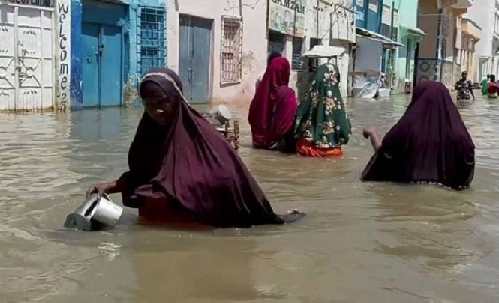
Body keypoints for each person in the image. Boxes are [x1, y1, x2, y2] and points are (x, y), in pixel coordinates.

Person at [87, 68, 304, 229]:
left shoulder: (207, 140)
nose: (157, 111)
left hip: (193, 231)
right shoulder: (147, 136)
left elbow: (227, 179)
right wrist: (110, 186)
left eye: (163, 102)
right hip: (151, 231)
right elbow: (144, 175)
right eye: (149, 105)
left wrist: (172, 191)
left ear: (176, 99)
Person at [361, 81, 475, 190]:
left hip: (408, 194)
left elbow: (384, 157)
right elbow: (467, 167)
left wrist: (373, 134)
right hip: (446, 199)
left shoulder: (406, 128)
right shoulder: (459, 134)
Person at [294, 63, 351, 157]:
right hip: (332, 153)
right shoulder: (339, 106)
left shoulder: (308, 100)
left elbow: (297, 122)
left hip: (307, 151)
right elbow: (345, 133)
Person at [248, 57, 297, 152]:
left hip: (259, 144)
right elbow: (289, 122)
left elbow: (251, 118)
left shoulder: (259, 96)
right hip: (280, 148)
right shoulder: (287, 94)